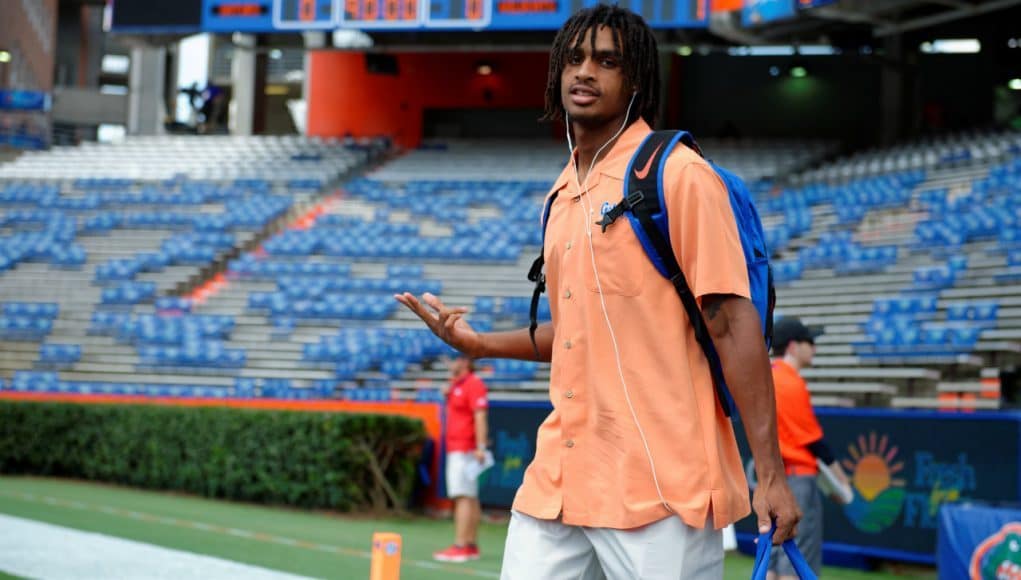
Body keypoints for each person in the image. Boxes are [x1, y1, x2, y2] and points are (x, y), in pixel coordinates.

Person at [396, 5, 799, 578]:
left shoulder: (679, 175)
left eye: (608, 61)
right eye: (575, 59)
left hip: (663, 488)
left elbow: (734, 325)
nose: (586, 72)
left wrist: (772, 475)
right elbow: (575, 332)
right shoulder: (561, 195)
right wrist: (479, 344)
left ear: (635, 81)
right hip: (560, 479)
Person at [768, 317, 850, 580]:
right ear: (793, 346)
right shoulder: (791, 382)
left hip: (770, 478)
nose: (813, 348)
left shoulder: (765, 376)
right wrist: (841, 480)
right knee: (797, 557)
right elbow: (814, 441)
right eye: (809, 342)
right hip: (796, 477)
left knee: (772, 558)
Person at [433, 355, 490, 563]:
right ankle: (471, 545)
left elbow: (480, 416)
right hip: (459, 447)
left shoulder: (474, 384)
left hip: (464, 448)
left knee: (463, 496)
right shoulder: (458, 383)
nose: (449, 363)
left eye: (454, 359)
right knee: (470, 496)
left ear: (465, 361)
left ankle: (461, 545)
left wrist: (481, 446)